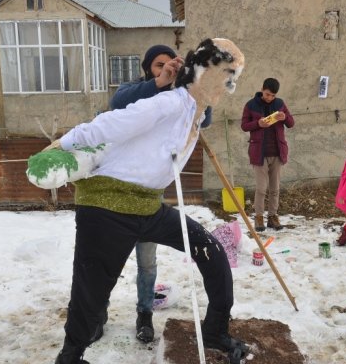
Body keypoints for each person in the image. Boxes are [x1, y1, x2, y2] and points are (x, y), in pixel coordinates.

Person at [49, 38, 249, 364]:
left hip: (146, 205)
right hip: (107, 206)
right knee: (92, 289)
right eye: (228, 74)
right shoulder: (167, 103)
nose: (230, 85)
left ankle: (214, 331)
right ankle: (70, 357)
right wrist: (63, 144)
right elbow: (112, 120)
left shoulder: (193, 112)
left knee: (211, 253)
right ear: (205, 72)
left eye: (234, 76)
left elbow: (202, 112)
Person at [109, 44, 213, 344]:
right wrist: (159, 82)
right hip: (117, 194)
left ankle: (144, 314)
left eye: (171, 65)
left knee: (147, 262)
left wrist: (193, 82)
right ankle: (97, 314)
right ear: (148, 69)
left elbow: (204, 119)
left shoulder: (179, 100)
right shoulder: (137, 92)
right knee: (110, 261)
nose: (166, 68)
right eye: (159, 65)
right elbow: (117, 102)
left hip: (149, 196)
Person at [240, 78, 295, 232]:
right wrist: (258, 124)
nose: (269, 97)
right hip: (259, 153)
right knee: (261, 189)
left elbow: (291, 123)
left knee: (275, 188)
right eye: (267, 94)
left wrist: (285, 117)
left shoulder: (280, 104)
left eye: (272, 95)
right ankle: (259, 217)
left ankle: (273, 216)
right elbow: (244, 126)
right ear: (262, 89)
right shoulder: (251, 105)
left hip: (277, 152)